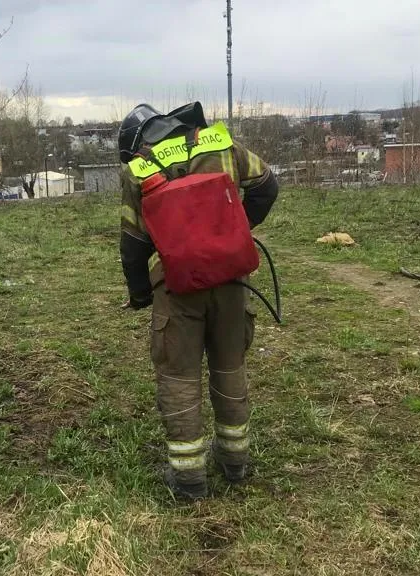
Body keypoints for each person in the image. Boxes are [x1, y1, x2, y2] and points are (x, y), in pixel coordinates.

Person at [117, 102, 279, 500]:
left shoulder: (139, 167)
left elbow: (133, 243)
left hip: (175, 289)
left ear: (137, 141)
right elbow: (266, 186)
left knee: (178, 377)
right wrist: (233, 232)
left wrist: (140, 294)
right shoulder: (219, 143)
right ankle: (235, 463)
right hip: (230, 279)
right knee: (230, 365)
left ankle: (189, 480)